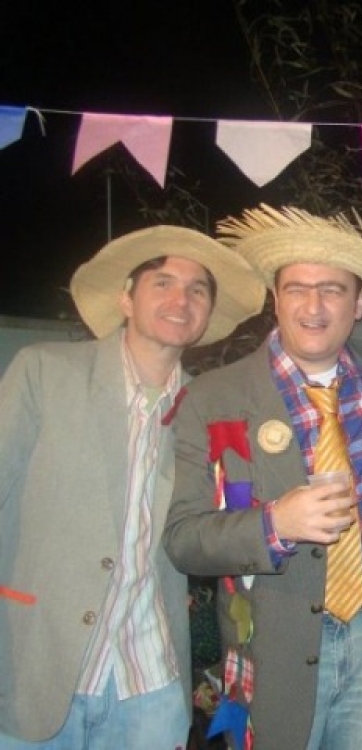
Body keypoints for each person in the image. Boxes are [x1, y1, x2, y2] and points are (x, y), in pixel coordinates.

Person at [162, 204, 362, 750]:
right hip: (273, 648)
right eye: (296, 289)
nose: (313, 306)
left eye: (332, 290)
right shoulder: (211, 396)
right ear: (276, 298)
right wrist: (275, 524)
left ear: (358, 303)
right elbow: (182, 539)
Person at [0, 226, 265, 749]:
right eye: (162, 283)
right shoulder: (45, 372)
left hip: (149, 677)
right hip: (40, 662)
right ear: (126, 298)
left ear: (207, 314)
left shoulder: (204, 409)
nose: (180, 300)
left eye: (197, 290)